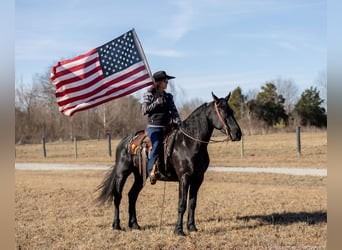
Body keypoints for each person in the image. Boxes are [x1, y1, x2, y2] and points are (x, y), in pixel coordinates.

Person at [142, 71, 182, 185]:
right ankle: (151, 172)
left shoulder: (168, 96)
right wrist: (155, 103)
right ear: (159, 82)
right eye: (165, 81)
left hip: (167, 127)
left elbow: (174, 112)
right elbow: (144, 110)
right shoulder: (149, 94)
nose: (167, 83)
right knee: (157, 144)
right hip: (154, 128)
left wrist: (179, 122)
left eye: (167, 81)